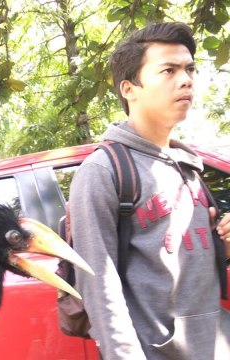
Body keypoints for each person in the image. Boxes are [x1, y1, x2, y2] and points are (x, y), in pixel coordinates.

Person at [68, 22, 230, 359]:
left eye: (189, 69)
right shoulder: (103, 171)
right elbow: (99, 287)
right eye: (168, 70)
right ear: (129, 89)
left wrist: (223, 246)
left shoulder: (189, 165)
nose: (186, 80)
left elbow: (186, 262)